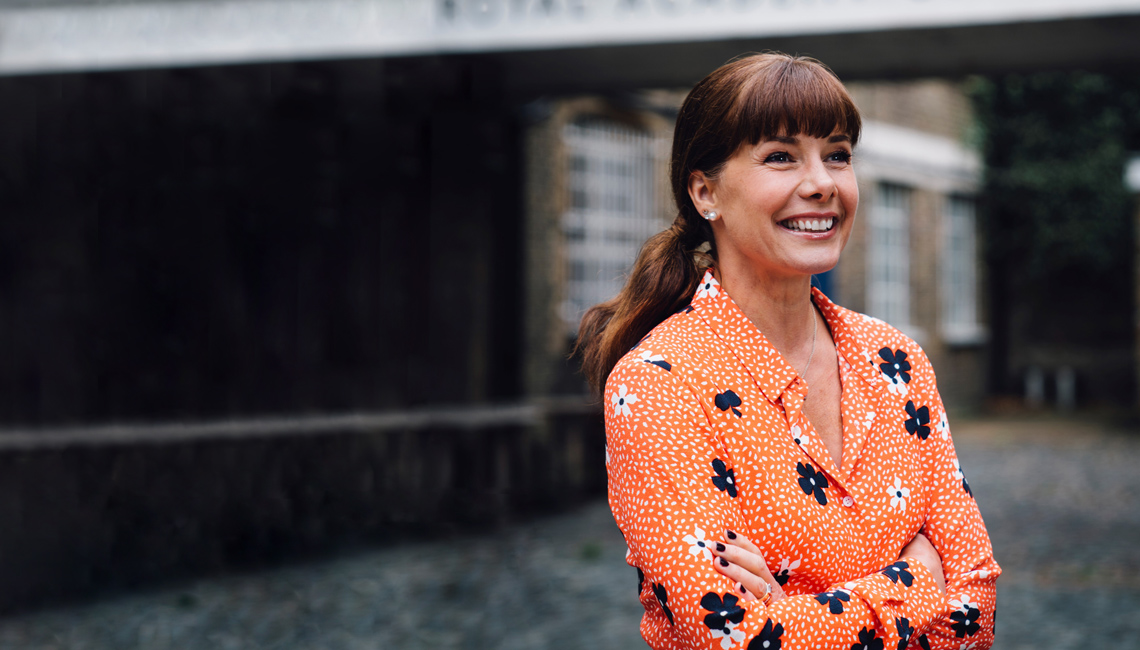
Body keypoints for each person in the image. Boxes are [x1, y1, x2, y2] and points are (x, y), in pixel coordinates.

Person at [575, 53, 999, 650]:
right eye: (780, 156)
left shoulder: (896, 361)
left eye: (838, 154)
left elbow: (976, 606)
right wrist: (916, 580)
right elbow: (739, 638)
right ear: (705, 192)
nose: (822, 183)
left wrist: (796, 613)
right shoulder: (659, 385)